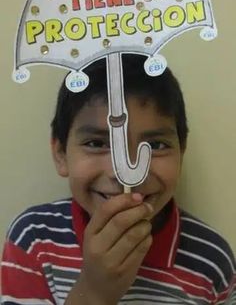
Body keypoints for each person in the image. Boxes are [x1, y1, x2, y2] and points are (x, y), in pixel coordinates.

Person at [1, 54, 235, 304]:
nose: (124, 172)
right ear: (60, 154)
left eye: (156, 145)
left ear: (182, 150)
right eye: (96, 143)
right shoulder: (35, 238)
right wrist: (94, 291)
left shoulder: (212, 260)